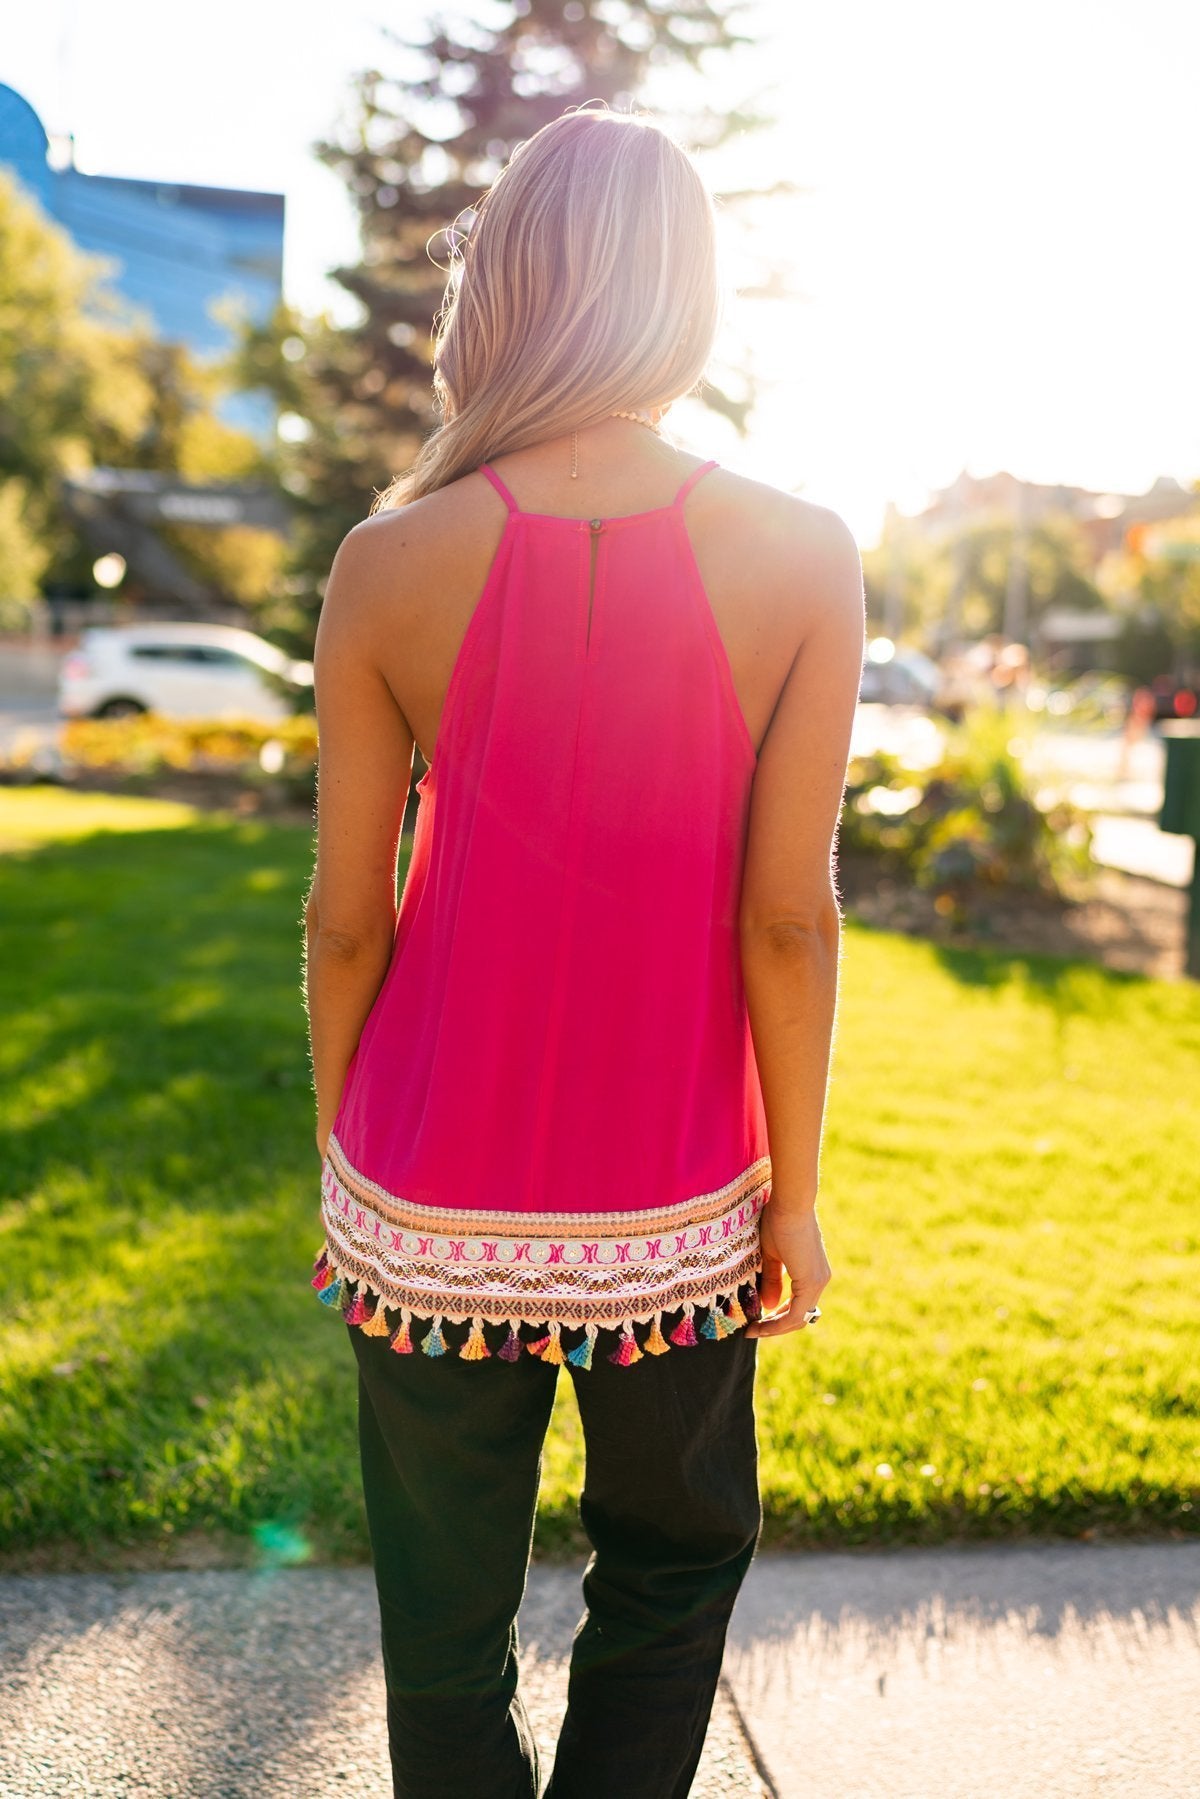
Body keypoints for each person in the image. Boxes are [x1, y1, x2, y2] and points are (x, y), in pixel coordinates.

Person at [302, 105, 863, 1799]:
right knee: (676, 1569)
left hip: (422, 1187)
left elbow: (345, 919)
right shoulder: (802, 552)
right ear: (683, 295)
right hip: (678, 1195)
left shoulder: (389, 560)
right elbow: (788, 914)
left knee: (440, 1617)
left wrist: (353, 1150)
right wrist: (797, 1192)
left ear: (504, 289)